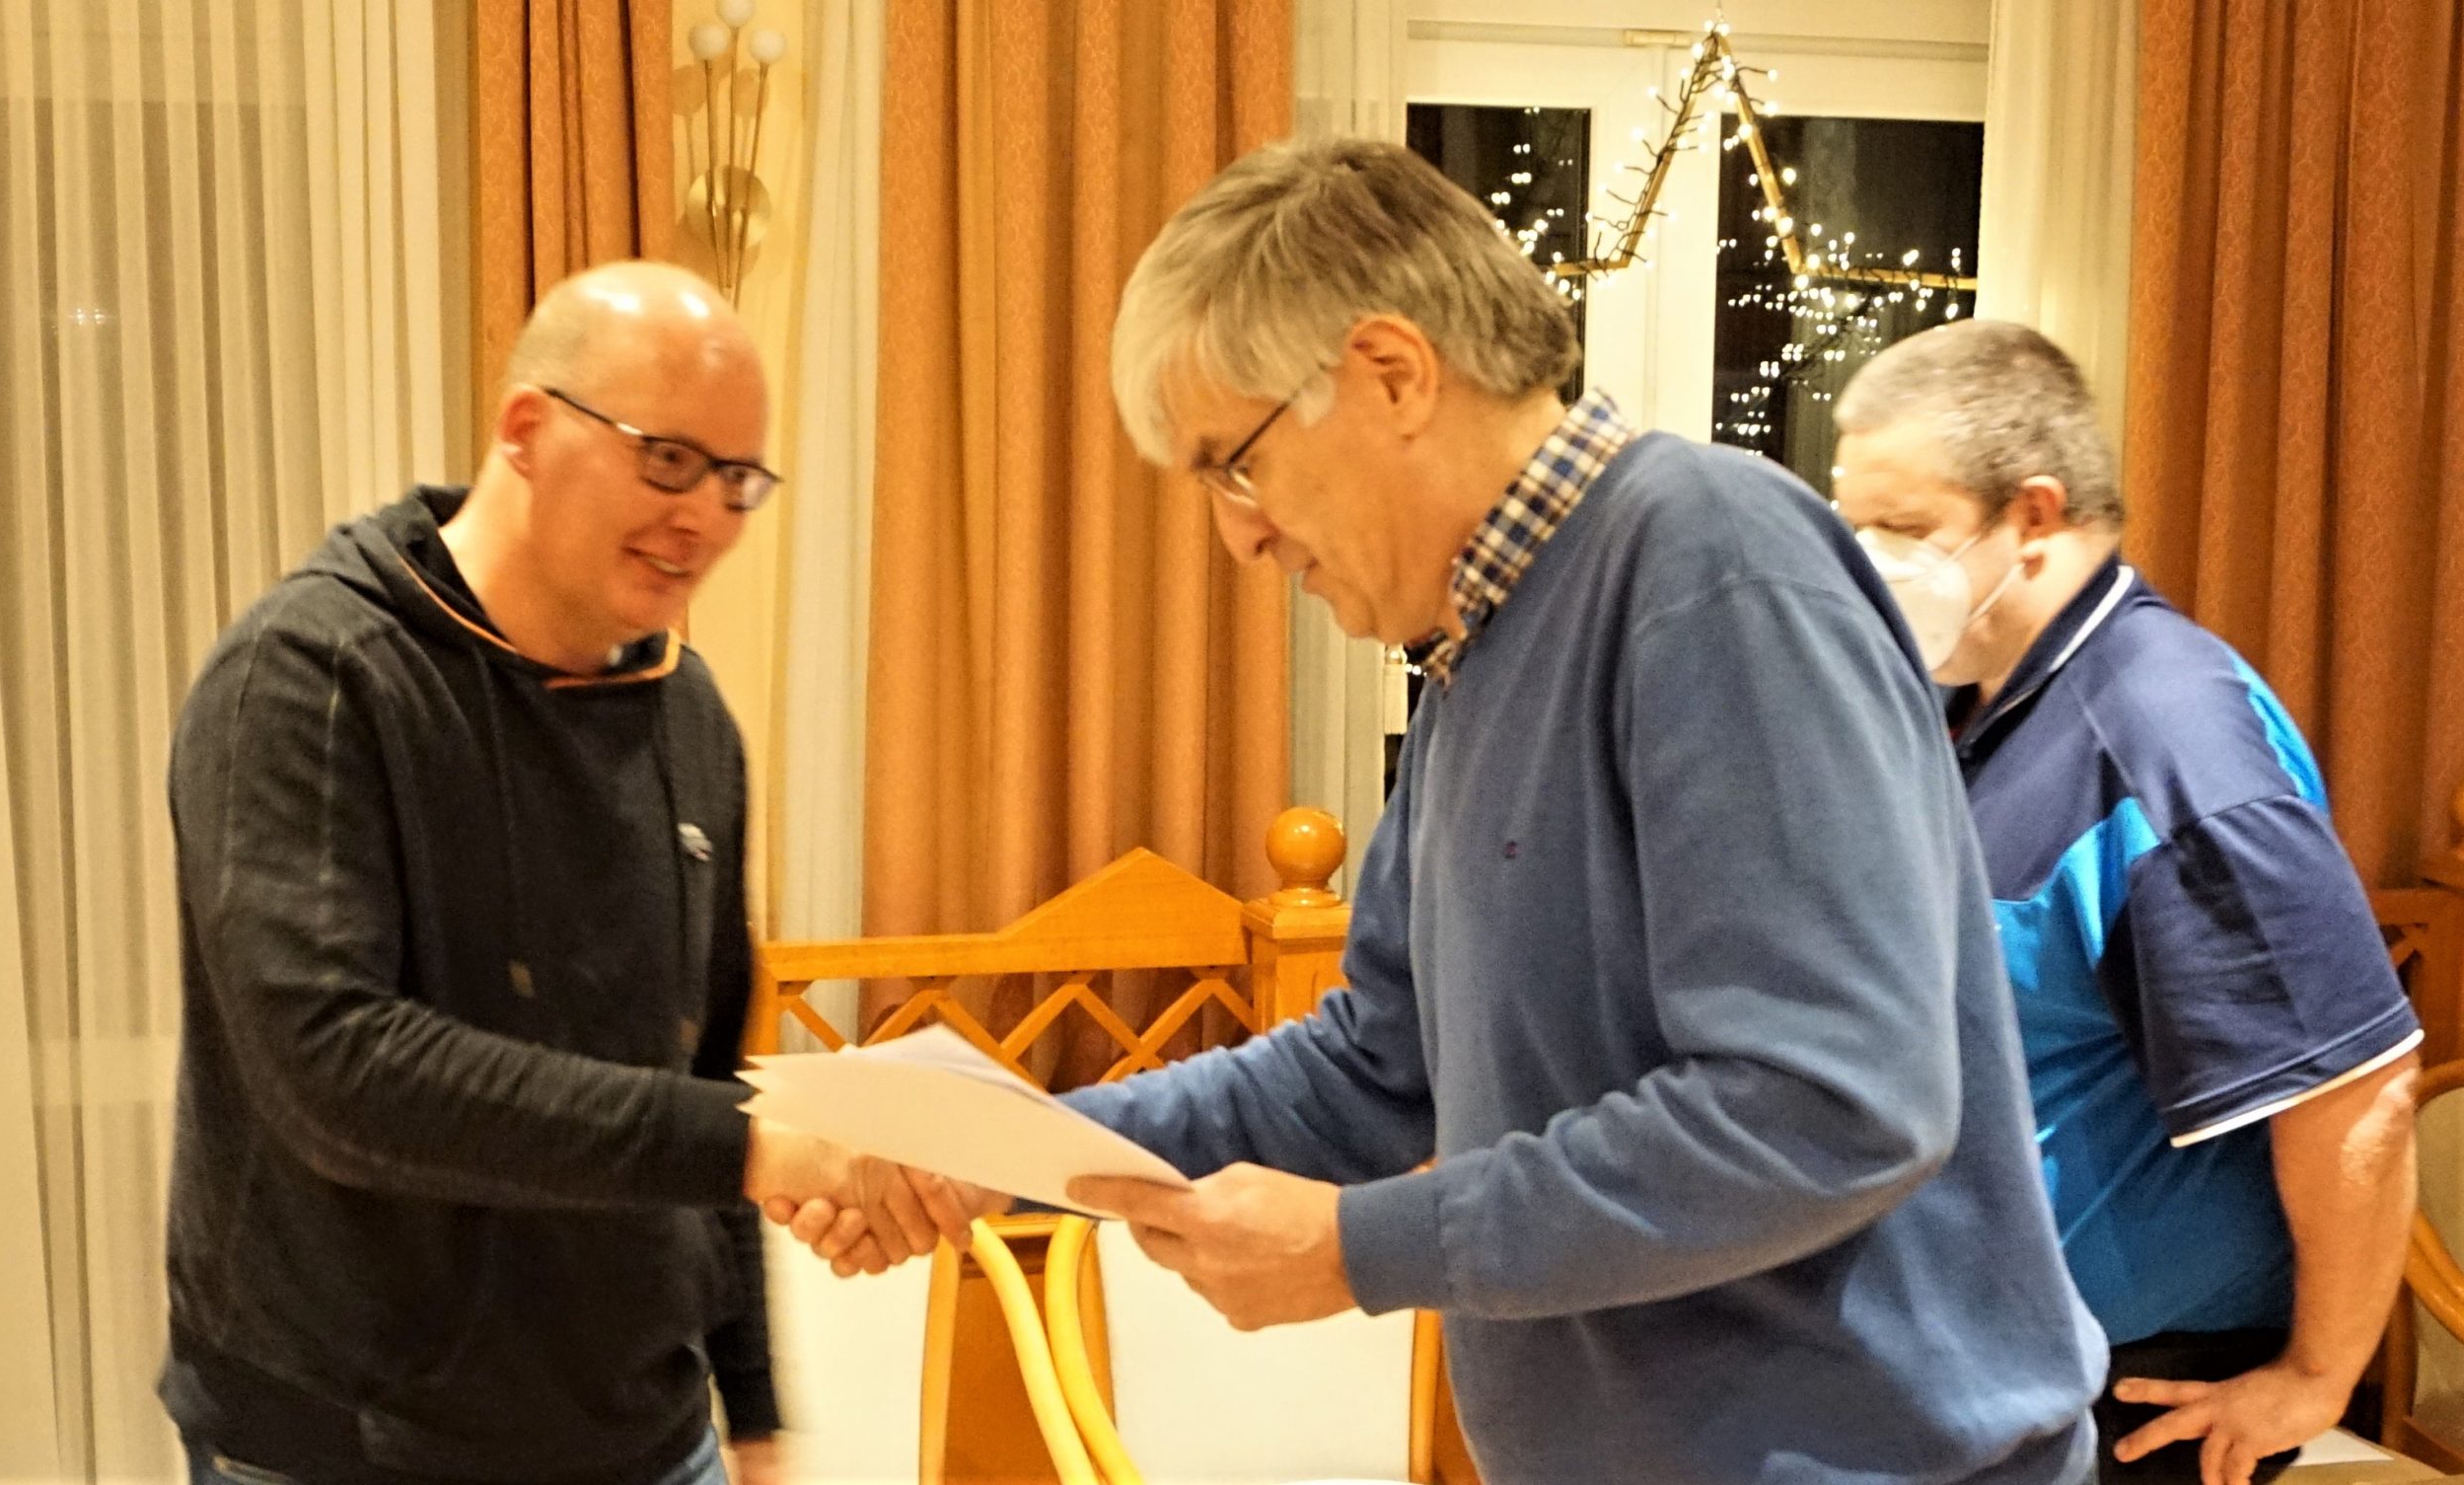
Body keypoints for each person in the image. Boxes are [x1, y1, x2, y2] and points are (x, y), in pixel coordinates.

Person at [789, 137, 2109, 1485]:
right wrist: (997, 1149)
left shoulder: (1708, 558)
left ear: (1391, 373)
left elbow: (1831, 1103)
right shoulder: (1477, 656)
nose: (1237, 534)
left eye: (1232, 463)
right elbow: (1374, 1069)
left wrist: (1363, 1248)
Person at [160, 260, 969, 1485]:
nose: (704, 516)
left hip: (651, 1434)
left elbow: (709, 1072)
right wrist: (754, 1142)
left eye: (737, 480)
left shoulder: (689, 714)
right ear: (527, 430)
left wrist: (753, 1406)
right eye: (668, 459)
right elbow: (334, 1072)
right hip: (345, 1444)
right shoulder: (309, 675)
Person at [1831, 320, 2422, 1485]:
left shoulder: (2164, 739)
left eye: (1899, 528)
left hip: (2130, 1395)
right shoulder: (1980, 707)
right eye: (1854, 526)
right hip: (1976, 1369)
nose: (1867, 563)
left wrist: (2316, 1376)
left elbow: (2355, 1087)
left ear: (2032, 516)